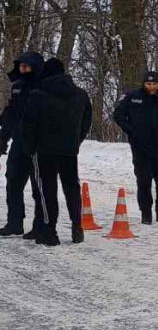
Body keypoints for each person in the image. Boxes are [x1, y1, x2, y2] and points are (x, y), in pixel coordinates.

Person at [21, 58, 92, 245]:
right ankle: (77, 226)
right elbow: (86, 121)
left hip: (43, 150)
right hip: (69, 149)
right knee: (72, 187)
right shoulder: (80, 94)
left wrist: (30, 147)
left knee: (47, 190)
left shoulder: (38, 94)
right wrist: (76, 140)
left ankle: (49, 230)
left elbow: (28, 124)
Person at [113, 70, 158, 224]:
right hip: (140, 146)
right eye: (148, 84)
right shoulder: (132, 96)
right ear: (143, 83)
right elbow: (118, 115)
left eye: (154, 84)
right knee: (144, 180)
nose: (151, 87)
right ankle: (145, 213)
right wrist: (132, 131)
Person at [0, 51, 45, 238]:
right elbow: (10, 114)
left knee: (39, 188)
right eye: (21, 66)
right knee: (13, 182)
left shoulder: (45, 87)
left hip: (38, 145)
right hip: (18, 143)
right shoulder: (17, 86)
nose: (22, 69)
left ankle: (40, 225)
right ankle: (14, 222)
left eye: (26, 66)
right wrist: (3, 138)